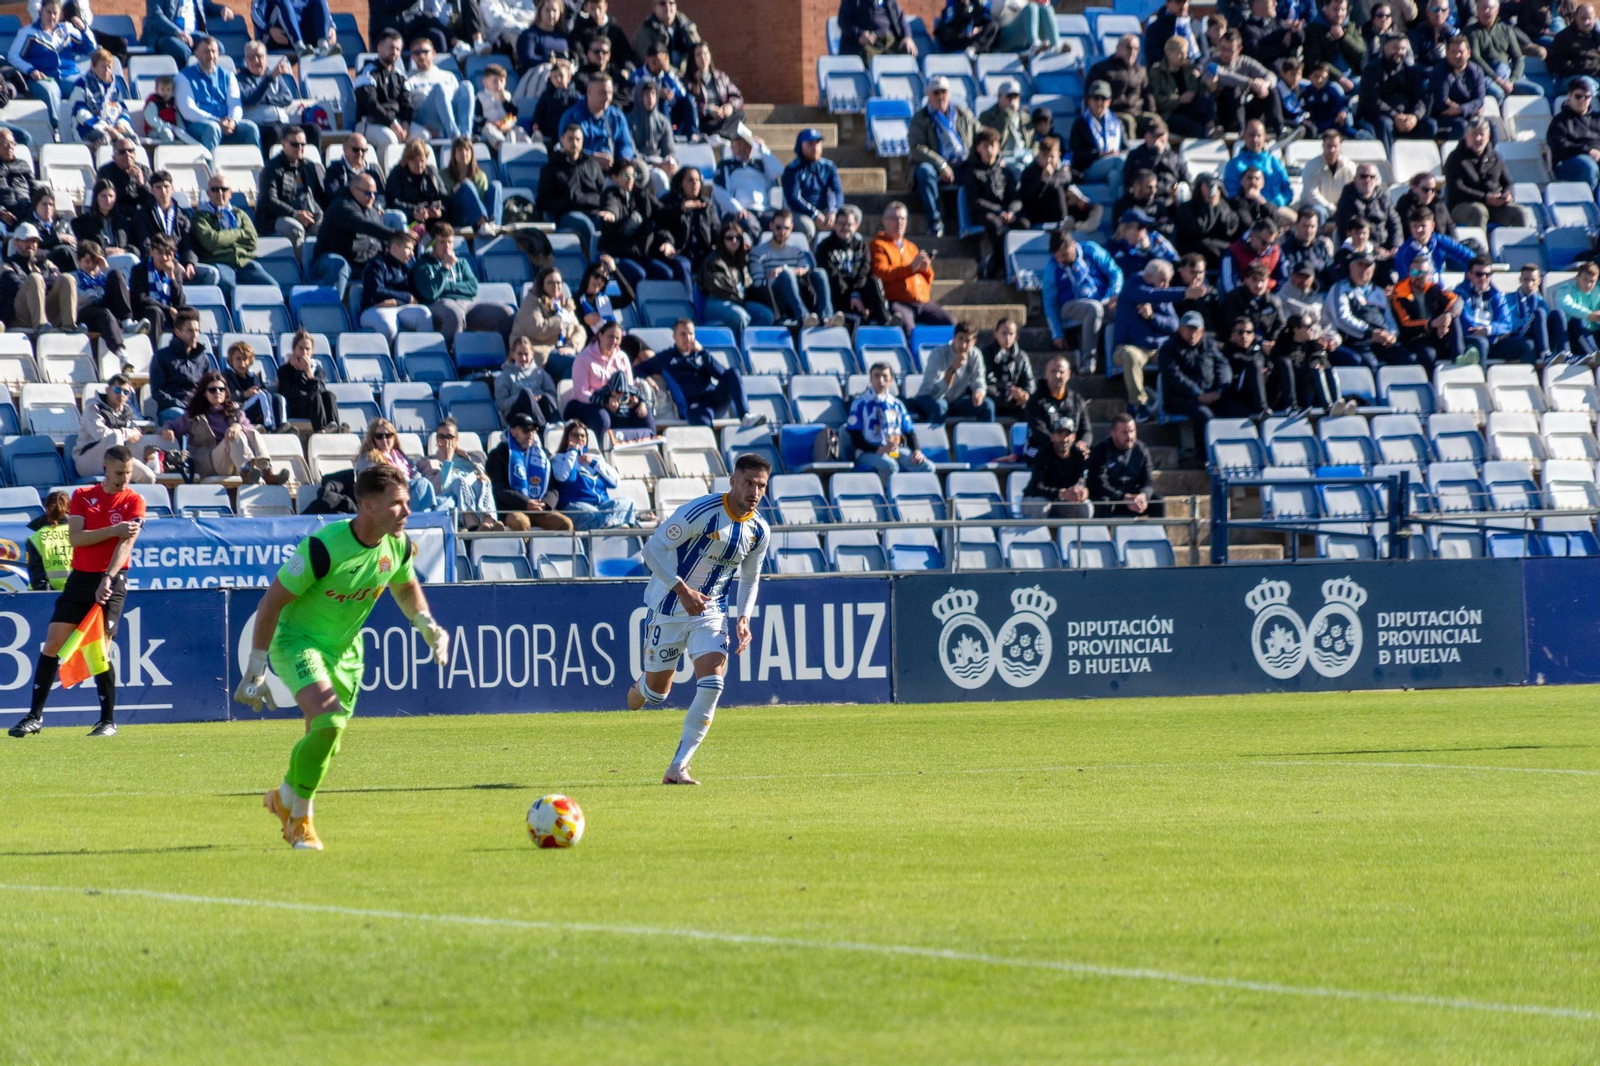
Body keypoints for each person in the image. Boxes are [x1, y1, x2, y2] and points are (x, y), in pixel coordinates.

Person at [235, 464, 449, 850]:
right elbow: (270, 603)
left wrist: (425, 623)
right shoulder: (322, 548)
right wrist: (256, 665)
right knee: (329, 720)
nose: (406, 512)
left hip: (347, 652)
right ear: (368, 505)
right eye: (397, 504)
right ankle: (300, 821)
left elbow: (405, 587)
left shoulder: (396, 545)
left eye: (407, 503)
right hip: (298, 643)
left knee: (326, 739)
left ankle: (284, 798)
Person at [625, 452, 769, 785]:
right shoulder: (701, 512)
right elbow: (652, 551)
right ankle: (645, 683)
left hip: (711, 612)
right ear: (733, 481)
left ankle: (679, 766)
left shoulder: (759, 530)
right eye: (748, 482)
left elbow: (750, 577)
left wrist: (744, 616)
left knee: (714, 683)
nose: (754, 492)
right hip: (669, 607)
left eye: (761, 485)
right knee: (655, 695)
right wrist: (682, 589)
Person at [6, 445, 144, 740]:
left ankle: (107, 721)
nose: (124, 479)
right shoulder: (83, 497)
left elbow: (126, 545)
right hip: (80, 580)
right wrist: (114, 529)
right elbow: (77, 538)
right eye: (120, 473)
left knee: (100, 651)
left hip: (113, 580)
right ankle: (34, 717)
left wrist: (108, 576)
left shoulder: (134, 500)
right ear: (105, 468)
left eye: (129, 473)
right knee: (52, 645)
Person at [1113, 260, 1208, 418]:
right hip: (1130, 346)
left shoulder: (1162, 294)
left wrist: (1152, 317)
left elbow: (1173, 325)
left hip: (1157, 349)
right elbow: (1150, 294)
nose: (1165, 285)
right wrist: (1184, 293)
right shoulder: (1132, 286)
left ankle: (1192, 396)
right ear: (1149, 276)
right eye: (1163, 280)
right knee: (1131, 355)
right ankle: (1137, 404)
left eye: (1168, 281)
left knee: (1181, 354)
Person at [634, 319, 762, 428]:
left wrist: (704, 353)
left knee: (733, 372)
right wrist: (647, 378)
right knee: (703, 426)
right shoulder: (666, 357)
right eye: (683, 334)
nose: (687, 338)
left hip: (714, 399)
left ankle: (745, 416)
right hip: (695, 405)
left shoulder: (701, 354)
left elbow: (722, 375)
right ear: (674, 336)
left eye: (690, 334)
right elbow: (637, 370)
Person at [163, 369, 280, 481]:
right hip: (208, 463)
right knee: (232, 437)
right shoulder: (195, 415)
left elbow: (248, 428)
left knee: (251, 432)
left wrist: (238, 426)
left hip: (234, 462)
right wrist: (168, 429)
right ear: (205, 393)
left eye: (221, 389)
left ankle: (266, 471)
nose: (217, 392)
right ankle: (247, 471)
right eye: (212, 390)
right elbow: (172, 425)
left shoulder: (235, 411)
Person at [1041, 229, 1122, 372]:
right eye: (1057, 256)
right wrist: (1057, 334)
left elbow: (1115, 272)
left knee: (1124, 308)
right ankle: (1088, 360)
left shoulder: (1090, 250)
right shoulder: (1052, 267)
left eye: (1064, 254)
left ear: (1073, 244)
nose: (1061, 259)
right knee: (1094, 308)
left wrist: (1114, 294)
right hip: (1070, 307)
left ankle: (1120, 360)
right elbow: (1050, 303)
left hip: (1102, 300)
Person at [907, 76, 978, 238]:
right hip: (935, 165)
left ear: (949, 93)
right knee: (924, 172)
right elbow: (916, 148)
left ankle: (972, 221)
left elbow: (979, 133)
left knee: (980, 170)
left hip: (962, 162)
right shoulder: (920, 117)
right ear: (929, 96)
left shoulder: (962, 113)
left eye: (943, 92)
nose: (940, 96)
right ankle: (935, 221)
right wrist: (940, 164)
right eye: (936, 92)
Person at [871, 201, 956, 334]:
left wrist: (925, 268)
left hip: (922, 302)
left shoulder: (911, 246)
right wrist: (911, 268)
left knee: (950, 322)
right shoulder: (878, 245)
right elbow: (881, 273)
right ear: (884, 220)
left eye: (903, 218)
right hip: (899, 301)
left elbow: (928, 278)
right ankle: (911, 355)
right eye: (894, 218)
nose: (899, 222)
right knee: (907, 327)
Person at [10, 0, 94, 134]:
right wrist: (31, 70)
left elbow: (90, 48)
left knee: (84, 86)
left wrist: (84, 29)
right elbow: (13, 56)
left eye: (55, 13)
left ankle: (87, 126)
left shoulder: (67, 29)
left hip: (67, 76)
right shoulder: (28, 32)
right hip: (42, 78)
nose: (52, 17)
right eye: (48, 12)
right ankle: (57, 129)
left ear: (60, 15)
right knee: (51, 91)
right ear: (41, 12)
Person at [194, 173, 277, 306]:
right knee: (230, 288)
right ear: (208, 193)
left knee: (272, 288)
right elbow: (212, 242)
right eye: (215, 189)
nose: (220, 193)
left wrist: (223, 237)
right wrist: (238, 233)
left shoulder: (240, 214)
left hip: (244, 263)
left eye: (224, 189)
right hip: (219, 262)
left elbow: (252, 240)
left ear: (230, 193)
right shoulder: (201, 217)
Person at [566, 318, 657, 438]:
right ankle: (603, 452)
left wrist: (638, 401)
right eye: (610, 337)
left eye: (617, 338)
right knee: (602, 417)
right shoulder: (583, 359)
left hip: (617, 403)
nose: (614, 341)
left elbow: (629, 386)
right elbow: (581, 393)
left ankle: (646, 451)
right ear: (600, 335)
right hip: (588, 404)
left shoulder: (622, 357)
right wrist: (605, 401)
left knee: (644, 413)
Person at [315, 174, 404, 295]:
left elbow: (379, 243)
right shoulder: (342, 206)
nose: (372, 197)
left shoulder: (373, 211)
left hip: (361, 262)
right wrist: (396, 236)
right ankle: (330, 308)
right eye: (368, 193)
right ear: (354, 190)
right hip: (333, 259)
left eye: (375, 194)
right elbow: (364, 225)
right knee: (339, 265)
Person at [130, 169, 216, 289]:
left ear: (172, 188)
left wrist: (190, 263)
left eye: (166, 186)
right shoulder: (143, 214)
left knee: (211, 274)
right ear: (152, 190)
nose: (163, 191)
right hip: (158, 264)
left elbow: (189, 243)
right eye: (158, 187)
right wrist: (172, 264)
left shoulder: (182, 215)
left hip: (182, 265)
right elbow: (146, 245)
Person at [846, 362, 933, 479]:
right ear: (871, 379)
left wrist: (916, 450)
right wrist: (878, 449)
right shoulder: (860, 404)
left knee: (927, 466)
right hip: (868, 452)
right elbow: (855, 436)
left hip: (894, 450)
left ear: (891, 380)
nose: (880, 380)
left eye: (884, 376)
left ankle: (916, 494)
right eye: (876, 376)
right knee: (889, 466)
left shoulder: (897, 405)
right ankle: (888, 495)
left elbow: (909, 432)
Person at [750, 209, 835, 327]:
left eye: (786, 228)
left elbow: (807, 270)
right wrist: (786, 273)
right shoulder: (758, 252)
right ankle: (804, 317)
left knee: (819, 273)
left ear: (792, 228)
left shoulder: (798, 250)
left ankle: (827, 317)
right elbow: (759, 283)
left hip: (799, 293)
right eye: (778, 227)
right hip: (774, 298)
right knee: (787, 275)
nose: (782, 232)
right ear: (771, 226)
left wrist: (782, 270)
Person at [550, 420, 640, 528]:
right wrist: (572, 452)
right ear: (567, 438)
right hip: (576, 505)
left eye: (583, 436)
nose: (579, 438)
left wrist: (594, 463)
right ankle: (614, 525)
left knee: (627, 503)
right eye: (575, 435)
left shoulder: (595, 459)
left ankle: (610, 525)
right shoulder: (559, 459)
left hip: (601, 506)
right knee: (594, 514)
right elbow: (564, 477)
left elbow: (615, 481)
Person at [176, 36, 259, 151]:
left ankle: (255, 168)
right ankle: (210, 168)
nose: (211, 56)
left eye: (214, 51)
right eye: (206, 52)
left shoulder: (228, 75)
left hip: (226, 124)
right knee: (213, 128)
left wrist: (233, 121)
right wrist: (216, 121)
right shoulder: (184, 77)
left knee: (250, 129)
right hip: (198, 126)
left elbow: (235, 104)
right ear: (196, 54)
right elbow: (188, 110)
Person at [1326, 249, 1404, 370]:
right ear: (1351, 267)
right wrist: (1371, 332)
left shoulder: (1379, 292)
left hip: (1382, 342)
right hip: (1357, 342)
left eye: (1367, 266)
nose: (1363, 269)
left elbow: (1389, 319)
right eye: (1359, 265)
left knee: (1408, 358)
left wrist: (1392, 335)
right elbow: (1341, 318)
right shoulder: (1340, 288)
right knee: (1371, 365)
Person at [256, 126, 328, 256]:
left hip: (309, 213)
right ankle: (300, 270)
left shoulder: (309, 167)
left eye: (302, 144)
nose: (299, 148)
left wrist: (320, 215)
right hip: (276, 217)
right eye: (294, 144)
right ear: (283, 143)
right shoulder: (271, 168)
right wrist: (294, 214)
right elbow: (269, 200)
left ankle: (320, 266)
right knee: (294, 229)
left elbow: (318, 196)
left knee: (327, 228)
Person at [964, 128, 1026, 281]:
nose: (990, 150)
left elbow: (1016, 198)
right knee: (995, 224)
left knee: (1024, 223)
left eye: (993, 145)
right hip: (984, 213)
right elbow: (975, 201)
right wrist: (999, 211)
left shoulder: (1006, 172)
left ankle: (1013, 265)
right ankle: (1002, 264)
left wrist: (1011, 211)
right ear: (978, 148)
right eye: (985, 146)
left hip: (1006, 213)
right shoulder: (972, 172)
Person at [815, 205, 892, 327]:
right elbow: (832, 276)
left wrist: (856, 294)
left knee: (873, 280)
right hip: (838, 296)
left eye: (849, 224)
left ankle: (886, 320)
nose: (845, 228)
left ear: (856, 225)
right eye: (841, 224)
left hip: (858, 293)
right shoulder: (824, 247)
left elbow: (864, 272)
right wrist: (852, 297)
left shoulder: (861, 246)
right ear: (834, 224)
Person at [239, 40, 320, 154]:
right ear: (246, 60)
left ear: (266, 58)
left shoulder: (274, 75)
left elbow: (287, 98)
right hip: (261, 125)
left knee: (313, 130)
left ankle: (308, 165)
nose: (256, 61)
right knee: (273, 132)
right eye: (251, 58)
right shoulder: (240, 79)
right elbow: (249, 99)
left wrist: (265, 99)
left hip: (283, 123)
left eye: (259, 56)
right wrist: (269, 79)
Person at [1358, 33, 1435, 151]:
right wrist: (1395, 116)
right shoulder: (1372, 69)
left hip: (1407, 119)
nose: (1399, 52)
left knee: (1430, 125)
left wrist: (1414, 116)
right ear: (1385, 47)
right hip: (1381, 116)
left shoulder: (1411, 71)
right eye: (1395, 48)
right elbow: (1372, 100)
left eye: (1403, 49)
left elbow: (1421, 98)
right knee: (1384, 124)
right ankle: (1388, 165)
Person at [423, 417, 502, 531]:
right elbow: (438, 488)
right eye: (441, 437)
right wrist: (448, 460)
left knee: (483, 482)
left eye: (449, 437)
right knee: (459, 481)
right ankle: (472, 524)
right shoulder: (429, 463)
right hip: (451, 505)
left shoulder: (471, 460)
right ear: (437, 440)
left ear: (456, 439)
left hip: (476, 499)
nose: (445, 441)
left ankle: (488, 522)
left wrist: (485, 478)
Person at [74, 375, 157, 482]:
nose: (121, 394)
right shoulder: (93, 408)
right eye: (117, 390)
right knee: (116, 436)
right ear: (108, 390)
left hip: (118, 460)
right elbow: (102, 435)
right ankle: (117, 474)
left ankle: (131, 497)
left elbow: (135, 432)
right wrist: (129, 433)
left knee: (148, 476)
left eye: (125, 392)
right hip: (87, 461)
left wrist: (135, 431)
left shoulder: (127, 411)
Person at [512, 267, 586, 385]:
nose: (555, 286)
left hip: (561, 350)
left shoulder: (562, 303)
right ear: (542, 284)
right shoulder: (531, 302)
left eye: (558, 283)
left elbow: (579, 330)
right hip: (540, 352)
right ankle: (564, 398)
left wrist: (571, 346)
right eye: (550, 282)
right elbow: (538, 330)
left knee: (586, 361)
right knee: (574, 364)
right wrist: (563, 314)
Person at [1389, 254, 1463, 372]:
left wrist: (1447, 317)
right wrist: (1432, 324)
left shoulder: (1434, 288)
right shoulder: (1399, 293)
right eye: (1414, 272)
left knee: (1454, 316)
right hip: (1414, 339)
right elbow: (1405, 323)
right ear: (1409, 273)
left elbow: (1456, 300)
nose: (1418, 276)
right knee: (1429, 354)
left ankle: (1459, 358)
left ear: (1429, 274)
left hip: (1437, 335)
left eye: (1423, 273)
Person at [1202, 28, 1284, 134]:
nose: (1225, 53)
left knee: (1270, 90)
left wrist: (1265, 84)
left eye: (1230, 50)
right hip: (1224, 110)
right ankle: (1240, 129)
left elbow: (1270, 75)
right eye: (1222, 48)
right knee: (1233, 88)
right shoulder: (1211, 63)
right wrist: (1250, 82)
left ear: (1238, 49)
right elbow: (1225, 75)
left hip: (1245, 108)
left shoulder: (1245, 61)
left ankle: (1280, 129)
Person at [911, 321, 993, 425]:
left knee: (987, 405)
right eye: (960, 338)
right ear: (954, 337)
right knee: (940, 406)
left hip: (956, 400)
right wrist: (952, 369)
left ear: (974, 341)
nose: (963, 345)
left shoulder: (975, 355)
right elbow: (934, 392)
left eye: (968, 341)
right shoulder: (938, 354)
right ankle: (935, 440)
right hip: (929, 398)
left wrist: (978, 393)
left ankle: (984, 440)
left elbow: (979, 380)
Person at [1455, 255, 1534, 363]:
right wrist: (1496, 335)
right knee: (1482, 343)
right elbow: (1469, 327)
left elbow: (1507, 324)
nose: (1483, 278)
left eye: (1487, 274)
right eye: (1479, 274)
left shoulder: (1496, 295)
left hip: (1492, 340)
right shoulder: (1460, 295)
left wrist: (1488, 330)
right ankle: (1479, 379)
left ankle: (1527, 379)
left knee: (1527, 344)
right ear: (1469, 275)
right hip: (1470, 341)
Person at [700, 222, 773, 338]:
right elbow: (718, 286)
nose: (734, 241)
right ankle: (739, 349)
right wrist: (738, 296)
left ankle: (752, 345)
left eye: (737, 238)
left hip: (738, 301)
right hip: (717, 302)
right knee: (740, 316)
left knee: (766, 315)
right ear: (722, 240)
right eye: (729, 238)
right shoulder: (713, 260)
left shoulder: (742, 260)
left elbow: (748, 284)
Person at [354, 418, 442, 512]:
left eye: (388, 435)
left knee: (449, 499)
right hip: (389, 495)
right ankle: (423, 518)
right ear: (372, 438)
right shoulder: (368, 458)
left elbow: (414, 471)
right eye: (379, 436)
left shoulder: (400, 456)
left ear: (394, 437)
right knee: (423, 483)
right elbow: (373, 484)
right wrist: (405, 484)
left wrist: (411, 482)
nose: (384, 440)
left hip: (408, 490)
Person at [0, 223, 75, 332]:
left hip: (47, 311)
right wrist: (45, 280)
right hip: (20, 315)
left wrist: (43, 281)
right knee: (35, 279)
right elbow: (16, 286)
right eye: (26, 240)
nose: (31, 244)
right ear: (16, 243)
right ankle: (41, 326)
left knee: (67, 278)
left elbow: (58, 279)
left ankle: (70, 325)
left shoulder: (45, 263)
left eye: (34, 241)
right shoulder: (6, 265)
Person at [1222, 119, 1297, 228]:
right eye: (1251, 135)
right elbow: (1230, 193)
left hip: (1274, 209)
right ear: (1244, 136)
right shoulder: (1234, 165)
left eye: (1258, 135)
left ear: (1264, 137)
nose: (1255, 139)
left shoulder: (1274, 162)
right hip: (1247, 210)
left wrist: (1277, 202)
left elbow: (1287, 191)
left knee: (1295, 220)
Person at [359, 231, 431, 343]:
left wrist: (396, 302)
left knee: (424, 314)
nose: (412, 254)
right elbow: (377, 292)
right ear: (394, 248)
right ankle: (386, 359)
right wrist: (406, 298)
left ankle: (422, 357)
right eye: (408, 248)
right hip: (374, 309)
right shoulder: (376, 264)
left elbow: (415, 296)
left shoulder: (408, 267)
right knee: (388, 327)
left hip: (401, 307)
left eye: (413, 250)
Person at [1019, 134, 1102, 232]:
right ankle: (1064, 223)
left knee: (1095, 207)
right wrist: (1044, 180)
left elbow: (1068, 182)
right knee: (1056, 188)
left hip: (1064, 209)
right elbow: (1027, 198)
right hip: (1039, 211)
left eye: (1051, 156)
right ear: (1039, 155)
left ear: (1058, 155)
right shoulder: (1030, 172)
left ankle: (1085, 226)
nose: (1048, 160)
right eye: (1044, 156)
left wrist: (1076, 198)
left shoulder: (1062, 171)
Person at [1087, 413, 1161, 517]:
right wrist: (1123, 498)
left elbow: (1148, 481)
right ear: (1113, 433)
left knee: (1158, 502)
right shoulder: (1102, 449)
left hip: (1133, 497)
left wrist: (1143, 496)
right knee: (1103, 503)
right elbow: (1099, 483)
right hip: (1112, 496)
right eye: (1124, 432)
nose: (1129, 436)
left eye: (1132, 431)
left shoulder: (1141, 450)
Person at [354, 30, 417, 150]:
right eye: (391, 47)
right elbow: (371, 104)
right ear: (379, 48)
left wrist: (406, 123)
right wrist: (392, 123)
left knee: (422, 136)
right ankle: (387, 169)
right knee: (389, 139)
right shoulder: (368, 71)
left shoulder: (401, 75)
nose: (395, 52)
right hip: (369, 122)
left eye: (398, 49)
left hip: (395, 122)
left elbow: (407, 103)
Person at [71, 241, 135, 358]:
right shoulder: (73, 276)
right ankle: (120, 351)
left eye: (95, 262)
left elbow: (122, 292)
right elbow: (79, 297)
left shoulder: (103, 276)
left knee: (115, 274)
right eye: (87, 261)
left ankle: (127, 322)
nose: (91, 265)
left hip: (105, 308)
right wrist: (98, 293)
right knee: (105, 313)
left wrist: (105, 269)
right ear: (79, 261)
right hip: (86, 312)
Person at [1469, 0, 1542, 101]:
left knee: (1537, 91)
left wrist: (1511, 80)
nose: (1486, 11)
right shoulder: (1471, 31)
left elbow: (1518, 58)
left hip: (1506, 74)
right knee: (1498, 94)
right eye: (1482, 8)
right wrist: (1498, 80)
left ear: (1497, 10)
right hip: (1486, 76)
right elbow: (1476, 58)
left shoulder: (1506, 30)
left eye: (1490, 8)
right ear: (1477, 10)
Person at [405, 36, 475, 140]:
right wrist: (417, 127)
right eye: (416, 53)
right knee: (439, 89)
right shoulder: (408, 79)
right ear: (412, 56)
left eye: (425, 51)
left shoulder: (448, 76)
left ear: (433, 53)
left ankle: (466, 136)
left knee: (466, 85)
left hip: (451, 116)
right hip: (427, 119)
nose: (421, 55)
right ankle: (455, 138)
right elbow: (405, 108)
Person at [1022, 417, 1092, 518]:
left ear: (1073, 437)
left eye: (1067, 434)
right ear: (1052, 437)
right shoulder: (1043, 454)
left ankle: (1076, 534)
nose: (1064, 439)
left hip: (1062, 503)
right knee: (1041, 505)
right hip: (1037, 498)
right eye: (1060, 434)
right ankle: (1038, 534)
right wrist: (1062, 493)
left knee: (1085, 506)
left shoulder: (1079, 456)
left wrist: (1083, 492)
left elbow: (1083, 480)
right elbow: (1036, 487)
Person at [782, 128, 843, 244]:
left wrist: (833, 211)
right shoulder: (792, 169)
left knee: (852, 215)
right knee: (807, 227)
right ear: (801, 146)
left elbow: (837, 192)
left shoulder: (828, 167)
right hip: (800, 212)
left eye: (818, 143)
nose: (815, 148)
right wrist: (814, 214)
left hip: (825, 211)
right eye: (810, 144)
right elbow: (794, 198)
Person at [1151, 34, 1219, 139]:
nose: (1184, 57)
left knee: (1207, 98)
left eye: (1186, 53)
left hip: (1190, 108)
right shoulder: (1157, 72)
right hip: (1170, 113)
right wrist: (1179, 100)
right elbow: (1157, 100)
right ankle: (1208, 135)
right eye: (1180, 53)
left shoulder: (1189, 69)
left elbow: (1199, 91)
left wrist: (1209, 85)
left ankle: (1211, 128)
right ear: (1168, 53)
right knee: (1195, 128)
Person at [1088, 34, 1155, 138]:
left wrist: (1152, 111)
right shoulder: (1101, 69)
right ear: (1118, 48)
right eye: (1128, 47)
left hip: (1136, 111)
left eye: (1136, 49)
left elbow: (1148, 96)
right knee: (1128, 121)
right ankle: (1131, 153)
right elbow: (1092, 93)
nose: (1132, 52)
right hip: (1114, 112)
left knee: (1155, 121)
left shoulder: (1140, 71)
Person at [68, 46, 134, 149]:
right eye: (103, 67)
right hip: (87, 128)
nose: (107, 70)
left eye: (109, 67)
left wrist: (121, 124)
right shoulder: (81, 84)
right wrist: (105, 127)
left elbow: (123, 109)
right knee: (105, 139)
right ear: (93, 66)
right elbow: (80, 112)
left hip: (114, 126)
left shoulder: (114, 87)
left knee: (132, 140)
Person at [656, 166, 721, 270]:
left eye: (697, 180)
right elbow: (662, 224)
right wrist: (681, 209)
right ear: (681, 183)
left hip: (703, 253)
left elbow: (716, 229)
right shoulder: (669, 202)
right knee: (684, 266)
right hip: (680, 253)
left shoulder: (707, 205)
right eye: (690, 180)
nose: (695, 184)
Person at [1069, 80, 1128, 191]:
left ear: (1109, 101)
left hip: (1112, 164)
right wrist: (1100, 154)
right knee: (1119, 160)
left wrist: (1114, 153)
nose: (1099, 102)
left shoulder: (1116, 122)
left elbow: (1125, 148)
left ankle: (1115, 207)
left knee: (1115, 175)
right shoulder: (1080, 123)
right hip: (1089, 168)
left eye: (1103, 98)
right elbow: (1076, 154)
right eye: (1095, 98)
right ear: (1088, 100)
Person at [1394, 208, 1476, 287]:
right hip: (1414, 292)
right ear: (1410, 228)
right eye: (1415, 226)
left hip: (1438, 289)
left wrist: (1466, 283)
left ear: (1432, 225)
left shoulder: (1441, 241)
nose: (1419, 230)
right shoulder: (1403, 252)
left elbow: (1471, 258)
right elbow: (1405, 280)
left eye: (1423, 225)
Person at [1430, 34, 1489, 141]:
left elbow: (1480, 100)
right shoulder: (1440, 71)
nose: (1456, 56)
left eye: (1460, 52)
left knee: (1491, 125)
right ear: (1447, 54)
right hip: (1444, 116)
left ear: (1468, 53)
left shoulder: (1476, 71)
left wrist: (1462, 109)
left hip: (1467, 114)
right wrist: (1471, 109)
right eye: (1453, 52)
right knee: (1463, 126)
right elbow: (1442, 102)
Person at [495, 333, 562, 429]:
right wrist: (521, 397)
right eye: (519, 354)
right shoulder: (505, 375)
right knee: (526, 393)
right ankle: (542, 428)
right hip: (516, 416)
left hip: (539, 411)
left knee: (546, 396)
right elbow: (501, 404)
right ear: (513, 354)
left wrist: (538, 396)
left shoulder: (539, 373)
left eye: (526, 354)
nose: (523, 358)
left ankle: (558, 426)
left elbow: (552, 395)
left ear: (532, 354)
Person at [278, 328, 339, 431]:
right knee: (314, 396)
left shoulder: (317, 369)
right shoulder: (284, 370)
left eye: (307, 349)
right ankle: (320, 430)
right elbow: (295, 393)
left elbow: (320, 390)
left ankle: (334, 428)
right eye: (301, 348)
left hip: (315, 405)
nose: (304, 352)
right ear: (294, 350)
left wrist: (309, 373)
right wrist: (299, 371)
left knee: (329, 395)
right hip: (295, 407)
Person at [1176, 173, 1242, 268]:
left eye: (1215, 186)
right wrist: (1208, 206)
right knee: (1206, 245)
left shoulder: (1224, 206)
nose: (1212, 190)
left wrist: (1217, 207)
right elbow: (1198, 230)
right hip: (1195, 249)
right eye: (1208, 186)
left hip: (1220, 248)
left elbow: (1229, 229)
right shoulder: (1186, 208)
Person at [682, 40, 744, 140]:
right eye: (698, 55)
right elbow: (688, 105)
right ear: (693, 58)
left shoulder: (721, 77)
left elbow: (737, 96)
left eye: (705, 53)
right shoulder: (687, 81)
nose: (703, 57)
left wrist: (730, 106)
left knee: (741, 114)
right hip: (704, 120)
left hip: (721, 118)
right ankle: (721, 134)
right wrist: (708, 110)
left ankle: (720, 134)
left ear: (710, 55)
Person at [1335, 163, 1403, 253]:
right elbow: (1348, 230)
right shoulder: (1347, 200)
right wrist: (1373, 249)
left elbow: (1394, 223)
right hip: (1360, 251)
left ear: (1376, 179)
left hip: (1387, 249)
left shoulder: (1383, 197)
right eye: (1363, 176)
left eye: (1372, 177)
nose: (1367, 180)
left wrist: (1395, 246)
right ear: (1355, 179)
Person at [129, 233, 186, 338]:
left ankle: (188, 350)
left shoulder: (175, 270)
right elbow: (141, 299)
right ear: (151, 252)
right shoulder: (139, 269)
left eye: (168, 253)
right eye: (159, 253)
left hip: (170, 312)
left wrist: (172, 277)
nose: (164, 258)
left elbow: (180, 301)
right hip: (147, 312)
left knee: (191, 312)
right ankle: (154, 352)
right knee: (155, 312)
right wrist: (167, 309)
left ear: (173, 255)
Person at [1550, 76, 1600, 192]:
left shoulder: (1597, 119)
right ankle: (1589, 203)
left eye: (1587, 97)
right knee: (1589, 167)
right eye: (1578, 96)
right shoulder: (1560, 121)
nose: (1582, 100)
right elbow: (1559, 147)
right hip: (1568, 162)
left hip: (1596, 158)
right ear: (1569, 96)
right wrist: (1588, 150)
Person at [1123, 117, 1189, 202]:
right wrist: (1154, 154)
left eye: (1161, 135)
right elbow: (1130, 178)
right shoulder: (1136, 155)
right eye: (1155, 136)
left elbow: (1186, 179)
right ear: (1146, 136)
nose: (1159, 140)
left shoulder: (1173, 157)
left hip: (1169, 199)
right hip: (1145, 200)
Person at [1509, 263, 1566, 362]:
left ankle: (1565, 353)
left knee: (1557, 313)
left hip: (1540, 334)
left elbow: (1546, 322)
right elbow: (1511, 324)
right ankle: (1545, 353)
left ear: (1539, 281)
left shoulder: (1540, 300)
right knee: (1539, 313)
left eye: (1533, 280)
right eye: (1526, 280)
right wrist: (1529, 321)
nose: (1529, 284)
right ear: (1520, 280)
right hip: (1521, 334)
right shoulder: (1509, 298)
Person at [1303, 0, 1366, 86]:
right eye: (1335, 9)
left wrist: (1343, 38)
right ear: (1326, 8)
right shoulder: (1314, 29)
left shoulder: (1350, 26)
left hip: (1352, 76)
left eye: (1343, 9)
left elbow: (1361, 53)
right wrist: (1338, 78)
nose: (1339, 13)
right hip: (1327, 79)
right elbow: (1315, 60)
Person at [982, 317, 1035, 420]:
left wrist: (1025, 394)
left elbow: (1029, 381)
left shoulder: (1021, 357)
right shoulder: (986, 354)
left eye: (1011, 334)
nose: (1007, 338)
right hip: (996, 397)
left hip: (1016, 400)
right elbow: (987, 381)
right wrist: (1008, 391)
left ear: (1016, 336)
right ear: (996, 334)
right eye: (1004, 333)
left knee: (1031, 407)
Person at [1301, 129, 1357, 223]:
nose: (1332, 150)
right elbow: (1311, 194)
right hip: (1314, 207)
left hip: (1339, 208)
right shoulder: (1311, 166)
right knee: (1320, 212)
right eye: (1328, 146)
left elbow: (1353, 191)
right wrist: (1332, 209)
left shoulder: (1349, 167)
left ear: (1340, 147)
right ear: (1323, 146)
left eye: (1335, 146)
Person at [978, 80, 1035, 166]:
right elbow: (992, 138)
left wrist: (1034, 153)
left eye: (1016, 96)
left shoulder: (1025, 117)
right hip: (1002, 157)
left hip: (1023, 155)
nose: (1013, 100)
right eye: (1009, 96)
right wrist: (1006, 114)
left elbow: (1034, 140)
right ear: (999, 97)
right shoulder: (987, 116)